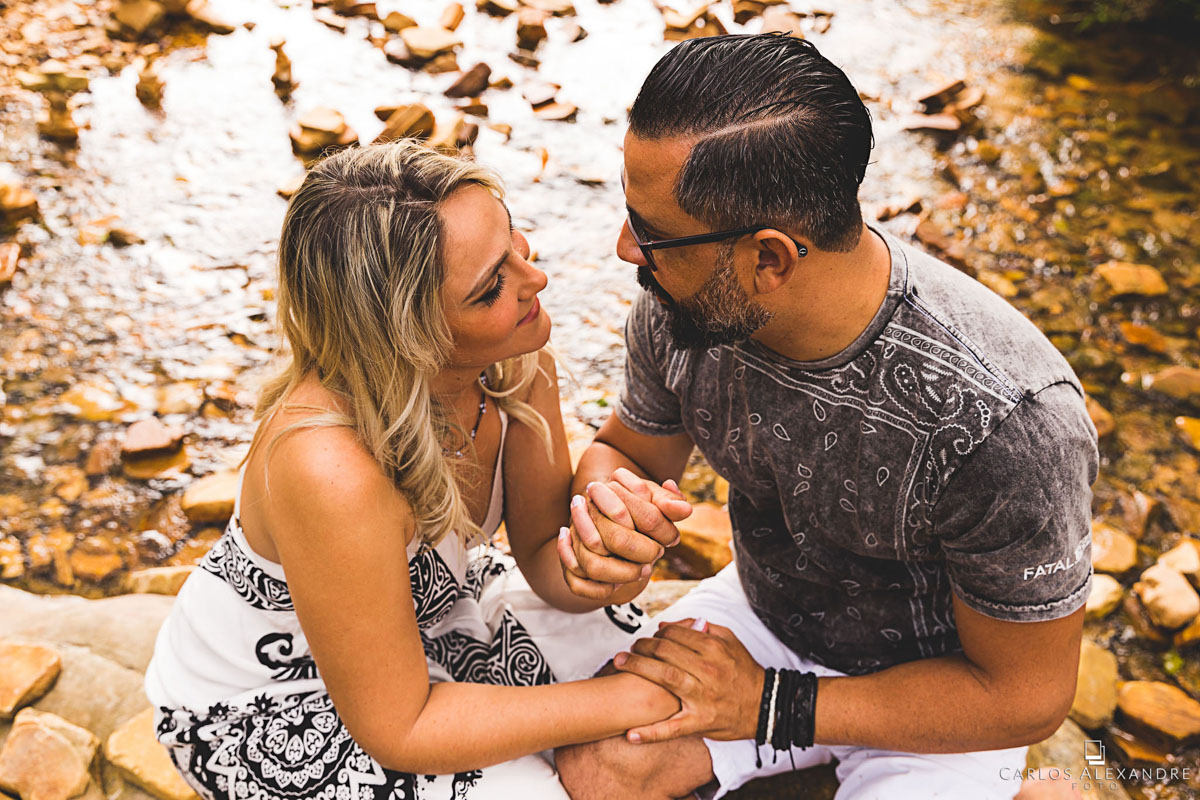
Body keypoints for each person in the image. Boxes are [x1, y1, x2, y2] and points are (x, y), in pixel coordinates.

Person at [554, 33, 1098, 800]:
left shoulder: (1008, 424)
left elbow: (1023, 697)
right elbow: (630, 452)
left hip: (938, 692)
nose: (623, 249)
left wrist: (770, 706)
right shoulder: (682, 304)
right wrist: (609, 506)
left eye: (652, 234)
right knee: (592, 768)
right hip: (766, 615)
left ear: (768, 259)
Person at [142, 141, 685, 800]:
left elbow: (543, 559)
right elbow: (399, 728)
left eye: (516, 241)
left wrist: (602, 559)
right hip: (278, 698)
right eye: (491, 287)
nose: (534, 281)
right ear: (406, 333)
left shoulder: (515, 361)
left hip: (432, 625)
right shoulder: (329, 466)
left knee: (648, 644)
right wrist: (628, 703)